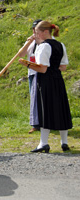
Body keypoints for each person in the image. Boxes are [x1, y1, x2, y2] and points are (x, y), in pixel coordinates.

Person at [19, 21, 73, 153]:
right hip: (58, 80)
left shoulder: (43, 46)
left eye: (37, 33)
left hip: (45, 81)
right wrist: (52, 67)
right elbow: (63, 67)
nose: (36, 35)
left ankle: (43, 143)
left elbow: (42, 69)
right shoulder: (61, 45)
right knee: (61, 109)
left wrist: (26, 64)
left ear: (45, 32)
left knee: (45, 110)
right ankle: (64, 142)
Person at [19, 19, 42, 134]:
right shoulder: (31, 42)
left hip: (43, 73)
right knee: (34, 99)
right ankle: (35, 124)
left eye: (37, 29)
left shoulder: (46, 42)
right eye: (33, 29)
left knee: (44, 98)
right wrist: (28, 42)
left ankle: (47, 122)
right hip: (32, 73)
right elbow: (21, 55)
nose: (35, 32)